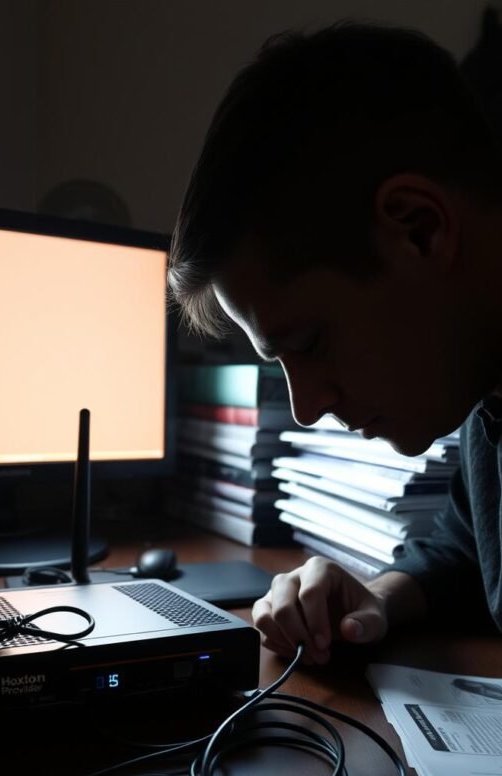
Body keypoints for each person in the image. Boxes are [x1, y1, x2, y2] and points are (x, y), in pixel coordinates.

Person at [167, 22, 502, 665]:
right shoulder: (488, 392)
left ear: (420, 231)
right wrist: (377, 596)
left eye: (311, 341)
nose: (306, 406)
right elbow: (469, 548)